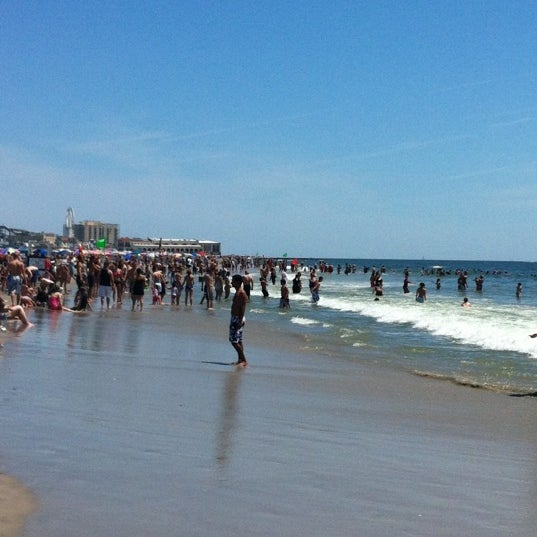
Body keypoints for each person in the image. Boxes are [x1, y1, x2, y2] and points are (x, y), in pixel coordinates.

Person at [229, 274, 248, 366]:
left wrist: (240, 321)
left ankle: (244, 360)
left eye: (233, 281)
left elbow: (243, 308)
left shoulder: (241, 293)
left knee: (233, 340)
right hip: (235, 317)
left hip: (238, 318)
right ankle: (240, 359)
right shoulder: (237, 292)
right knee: (239, 340)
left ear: (238, 282)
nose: (231, 282)